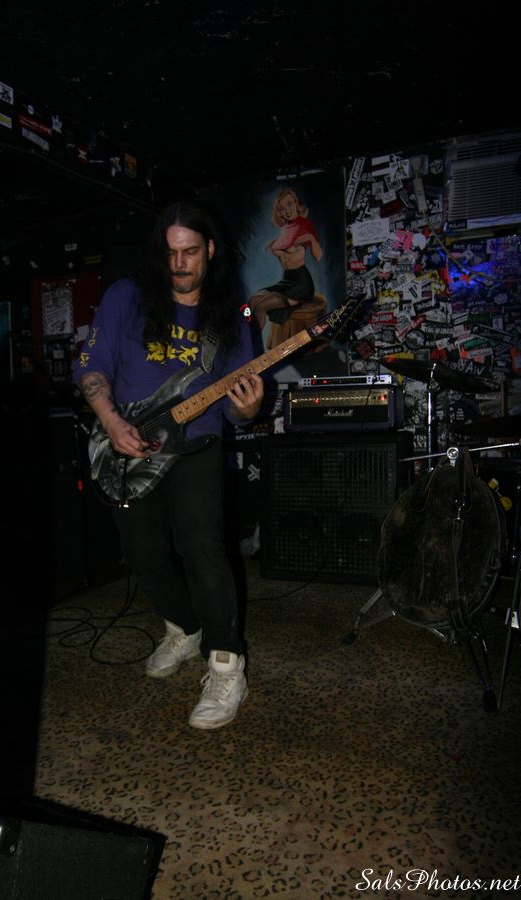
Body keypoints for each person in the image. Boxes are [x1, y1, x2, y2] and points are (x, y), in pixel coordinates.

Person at [73, 200, 264, 730]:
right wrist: (112, 422)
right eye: (171, 252)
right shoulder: (126, 296)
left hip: (197, 445)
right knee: (141, 551)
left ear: (210, 250)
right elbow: (92, 366)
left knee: (202, 547)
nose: (180, 264)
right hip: (130, 444)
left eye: (191, 252)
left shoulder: (230, 316)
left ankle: (226, 664)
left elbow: (238, 407)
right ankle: (183, 626)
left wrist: (248, 409)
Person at [248, 186, 324, 332]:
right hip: (287, 280)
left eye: (289, 204)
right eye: (282, 209)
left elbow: (318, 256)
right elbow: (285, 244)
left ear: (296, 202)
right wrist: (275, 244)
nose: (287, 211)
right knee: (250, 302)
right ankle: (248, 329)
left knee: (260, 306)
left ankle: (254, 341)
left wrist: (309, 238)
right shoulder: (286, 229)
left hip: (301, 285)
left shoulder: (305, 225)